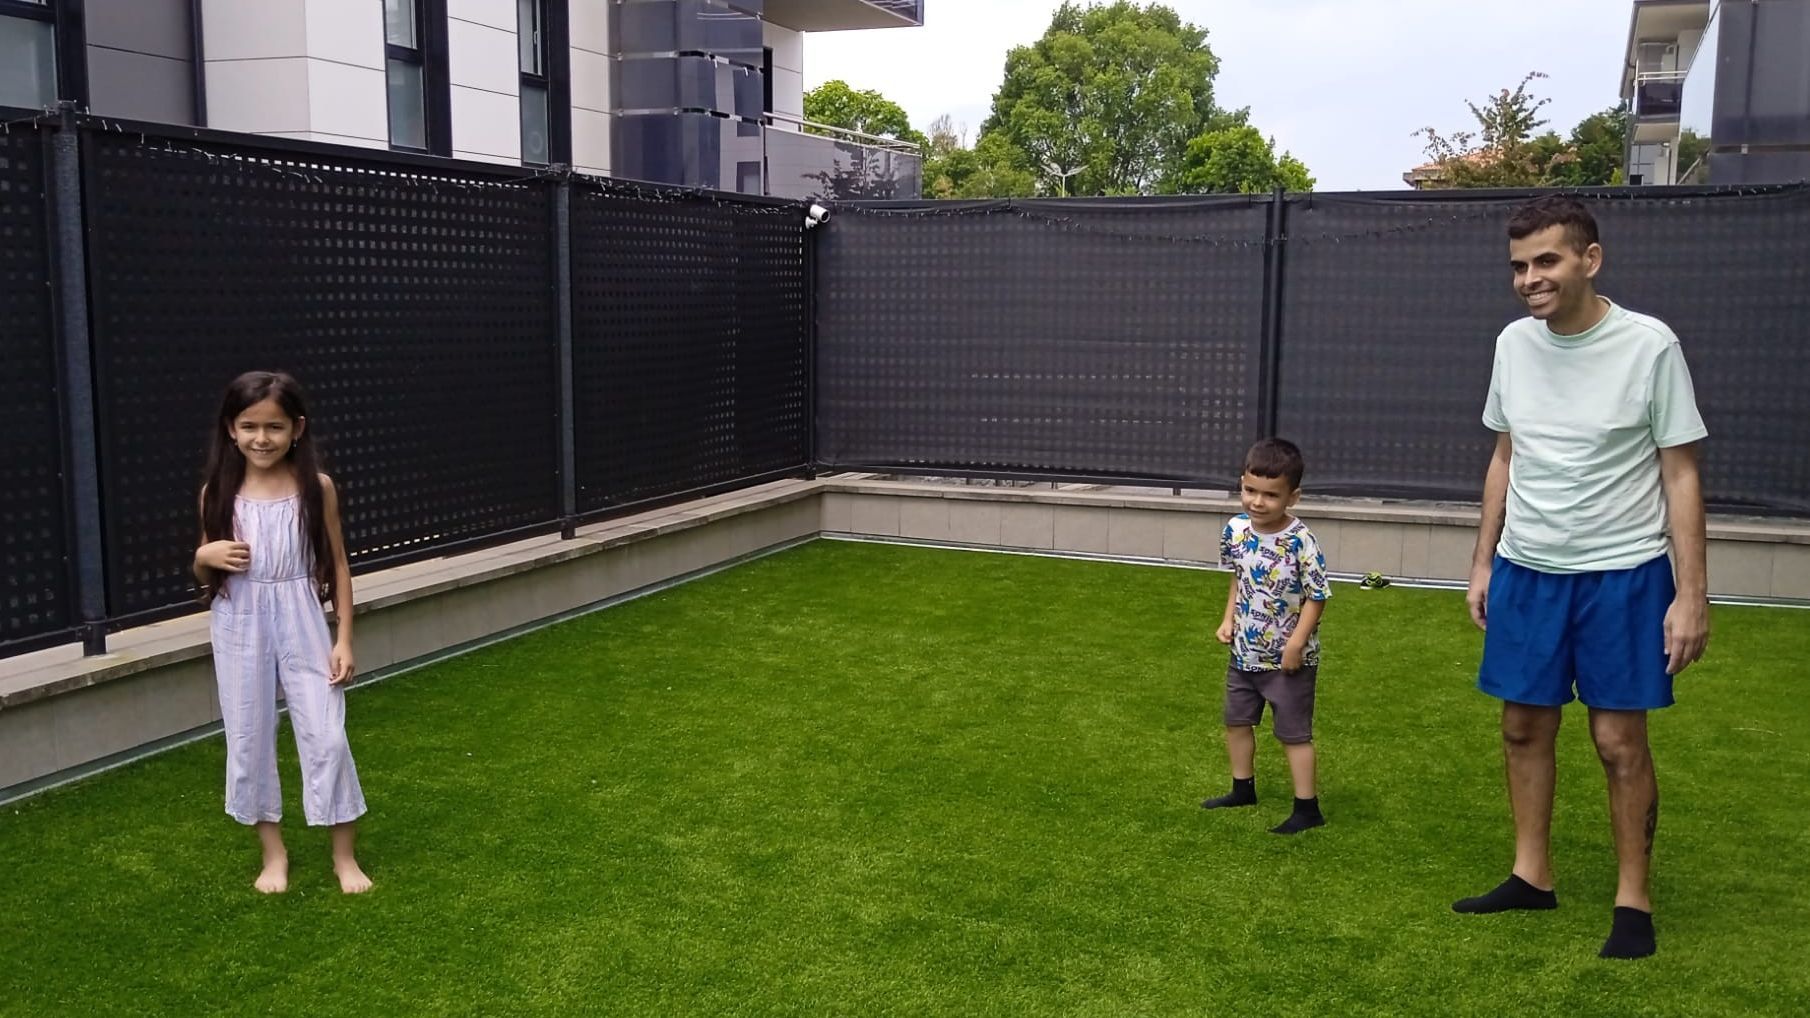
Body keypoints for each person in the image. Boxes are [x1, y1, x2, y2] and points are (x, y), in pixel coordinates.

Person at [1454, 196, 1709, 960]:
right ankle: (1532, 875)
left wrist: (1691, 595)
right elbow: (1506, 453)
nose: (1529, 279)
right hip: (1528, 570)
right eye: (1519, 266)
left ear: (1589, 260)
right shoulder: (1513, 345)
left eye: (1546, 262)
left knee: (1617, 739)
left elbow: (1681, 473)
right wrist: (1482, 561)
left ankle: (1634, 898)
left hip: (1624, 574)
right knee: (1522, 725)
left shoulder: (1650, 346)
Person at [192, 371, 372, 894]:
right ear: (231, 429)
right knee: (248, 736)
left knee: (328, 735)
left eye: (274, 426)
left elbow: (338, 565)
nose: (261, 438)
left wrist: (343, 638)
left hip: (301, 615)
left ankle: (344, 856)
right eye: (249, 425)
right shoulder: (217, 492)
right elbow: (206, 569)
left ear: (297, 428)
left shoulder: (316, 488)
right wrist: (204, 556)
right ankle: (274, 853)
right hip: (239, 620)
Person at [1200, 438, 1332, 835]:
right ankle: (1242, 789)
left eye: (1270, 495)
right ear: (1241, 483)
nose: (1257, 502)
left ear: (1293, 496)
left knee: (1293, 734)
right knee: (1236, 722)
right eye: (1250, 490)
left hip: (1288, 662)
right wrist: (1228, 621)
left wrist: (1295, 645)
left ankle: (1307, 809)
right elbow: (1239, 579)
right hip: (1244, 654)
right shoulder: (1236, 530)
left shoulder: (1301, 541)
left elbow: (1318, 596)